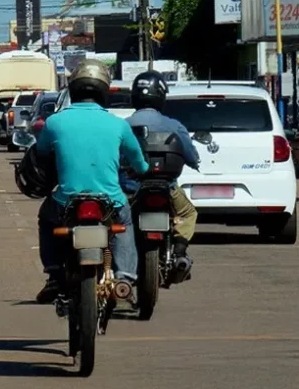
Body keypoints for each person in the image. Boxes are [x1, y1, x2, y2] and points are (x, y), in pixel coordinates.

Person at [35, 59, 149, 304]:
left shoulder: (55, 122)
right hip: (112, 202)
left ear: (73, 90)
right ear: (103, 92)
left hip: (65, 200)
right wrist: (142, 171)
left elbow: (41, 153)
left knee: (46, 217)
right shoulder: (118, 124)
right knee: (125, 223)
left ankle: (54, 273)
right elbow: (140, 164)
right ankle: (125, 278)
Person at [120, 70, 200, 283]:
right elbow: (192, 156)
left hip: (130, 190)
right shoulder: (174, 125)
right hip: (168, 188)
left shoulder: (123, 125)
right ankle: (179, 253)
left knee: (118, 223)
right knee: (188, 213)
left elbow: (113, 157)